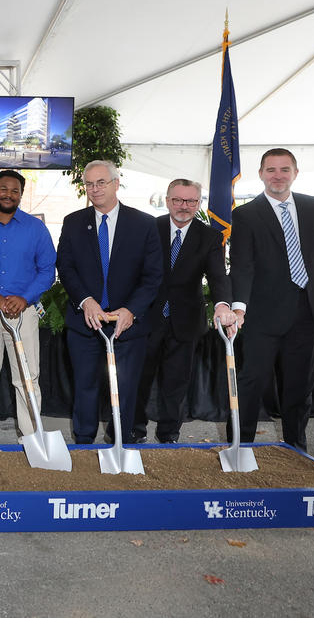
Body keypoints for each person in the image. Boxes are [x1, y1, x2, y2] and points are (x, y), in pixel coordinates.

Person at [228, 149, 314, 451]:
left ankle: (296, 449)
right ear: (261, 173)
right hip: (263, 316)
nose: (278, 175)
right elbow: (242, 266)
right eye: (271, 170)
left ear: (295, 173)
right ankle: (239, 447)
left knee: (300, 388)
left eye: (284, 169)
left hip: (308, 314)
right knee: (251, 385)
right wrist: (239, 307)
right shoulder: (246, 215)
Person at [57, 160, 162, 444]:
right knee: (85, 386)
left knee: (125, 389)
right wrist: (85, 300)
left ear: (116, 183)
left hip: (127, 326)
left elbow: (153, 276)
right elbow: (65, 268)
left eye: (101, 182)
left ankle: (120, 441)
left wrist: (132, 310)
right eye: (89, 184)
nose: (94, 189)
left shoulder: (144, 224)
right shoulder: (73, 222)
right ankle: (83, 442)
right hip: (85, 323)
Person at [134, 179, 235, 443]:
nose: (184, 206)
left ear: (199, 203)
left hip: (186, 321)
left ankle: (169, 435)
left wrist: (223, 304)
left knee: (176, 384)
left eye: (191, 201)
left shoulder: (210, 236)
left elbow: (218, 276)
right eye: (178, 200)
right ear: (167, 200)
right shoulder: (147, 228)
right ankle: (133, 430)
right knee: (138, 380)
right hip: (146, 318)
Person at [0, 170, 55, 443]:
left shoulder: (35, 228)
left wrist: (25, 298)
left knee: (27, 373)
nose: (8, 194)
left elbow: (47, 270)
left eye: (15, 191)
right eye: (3, 189)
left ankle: (30, 431)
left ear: (21, 195)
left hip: (24, 312)